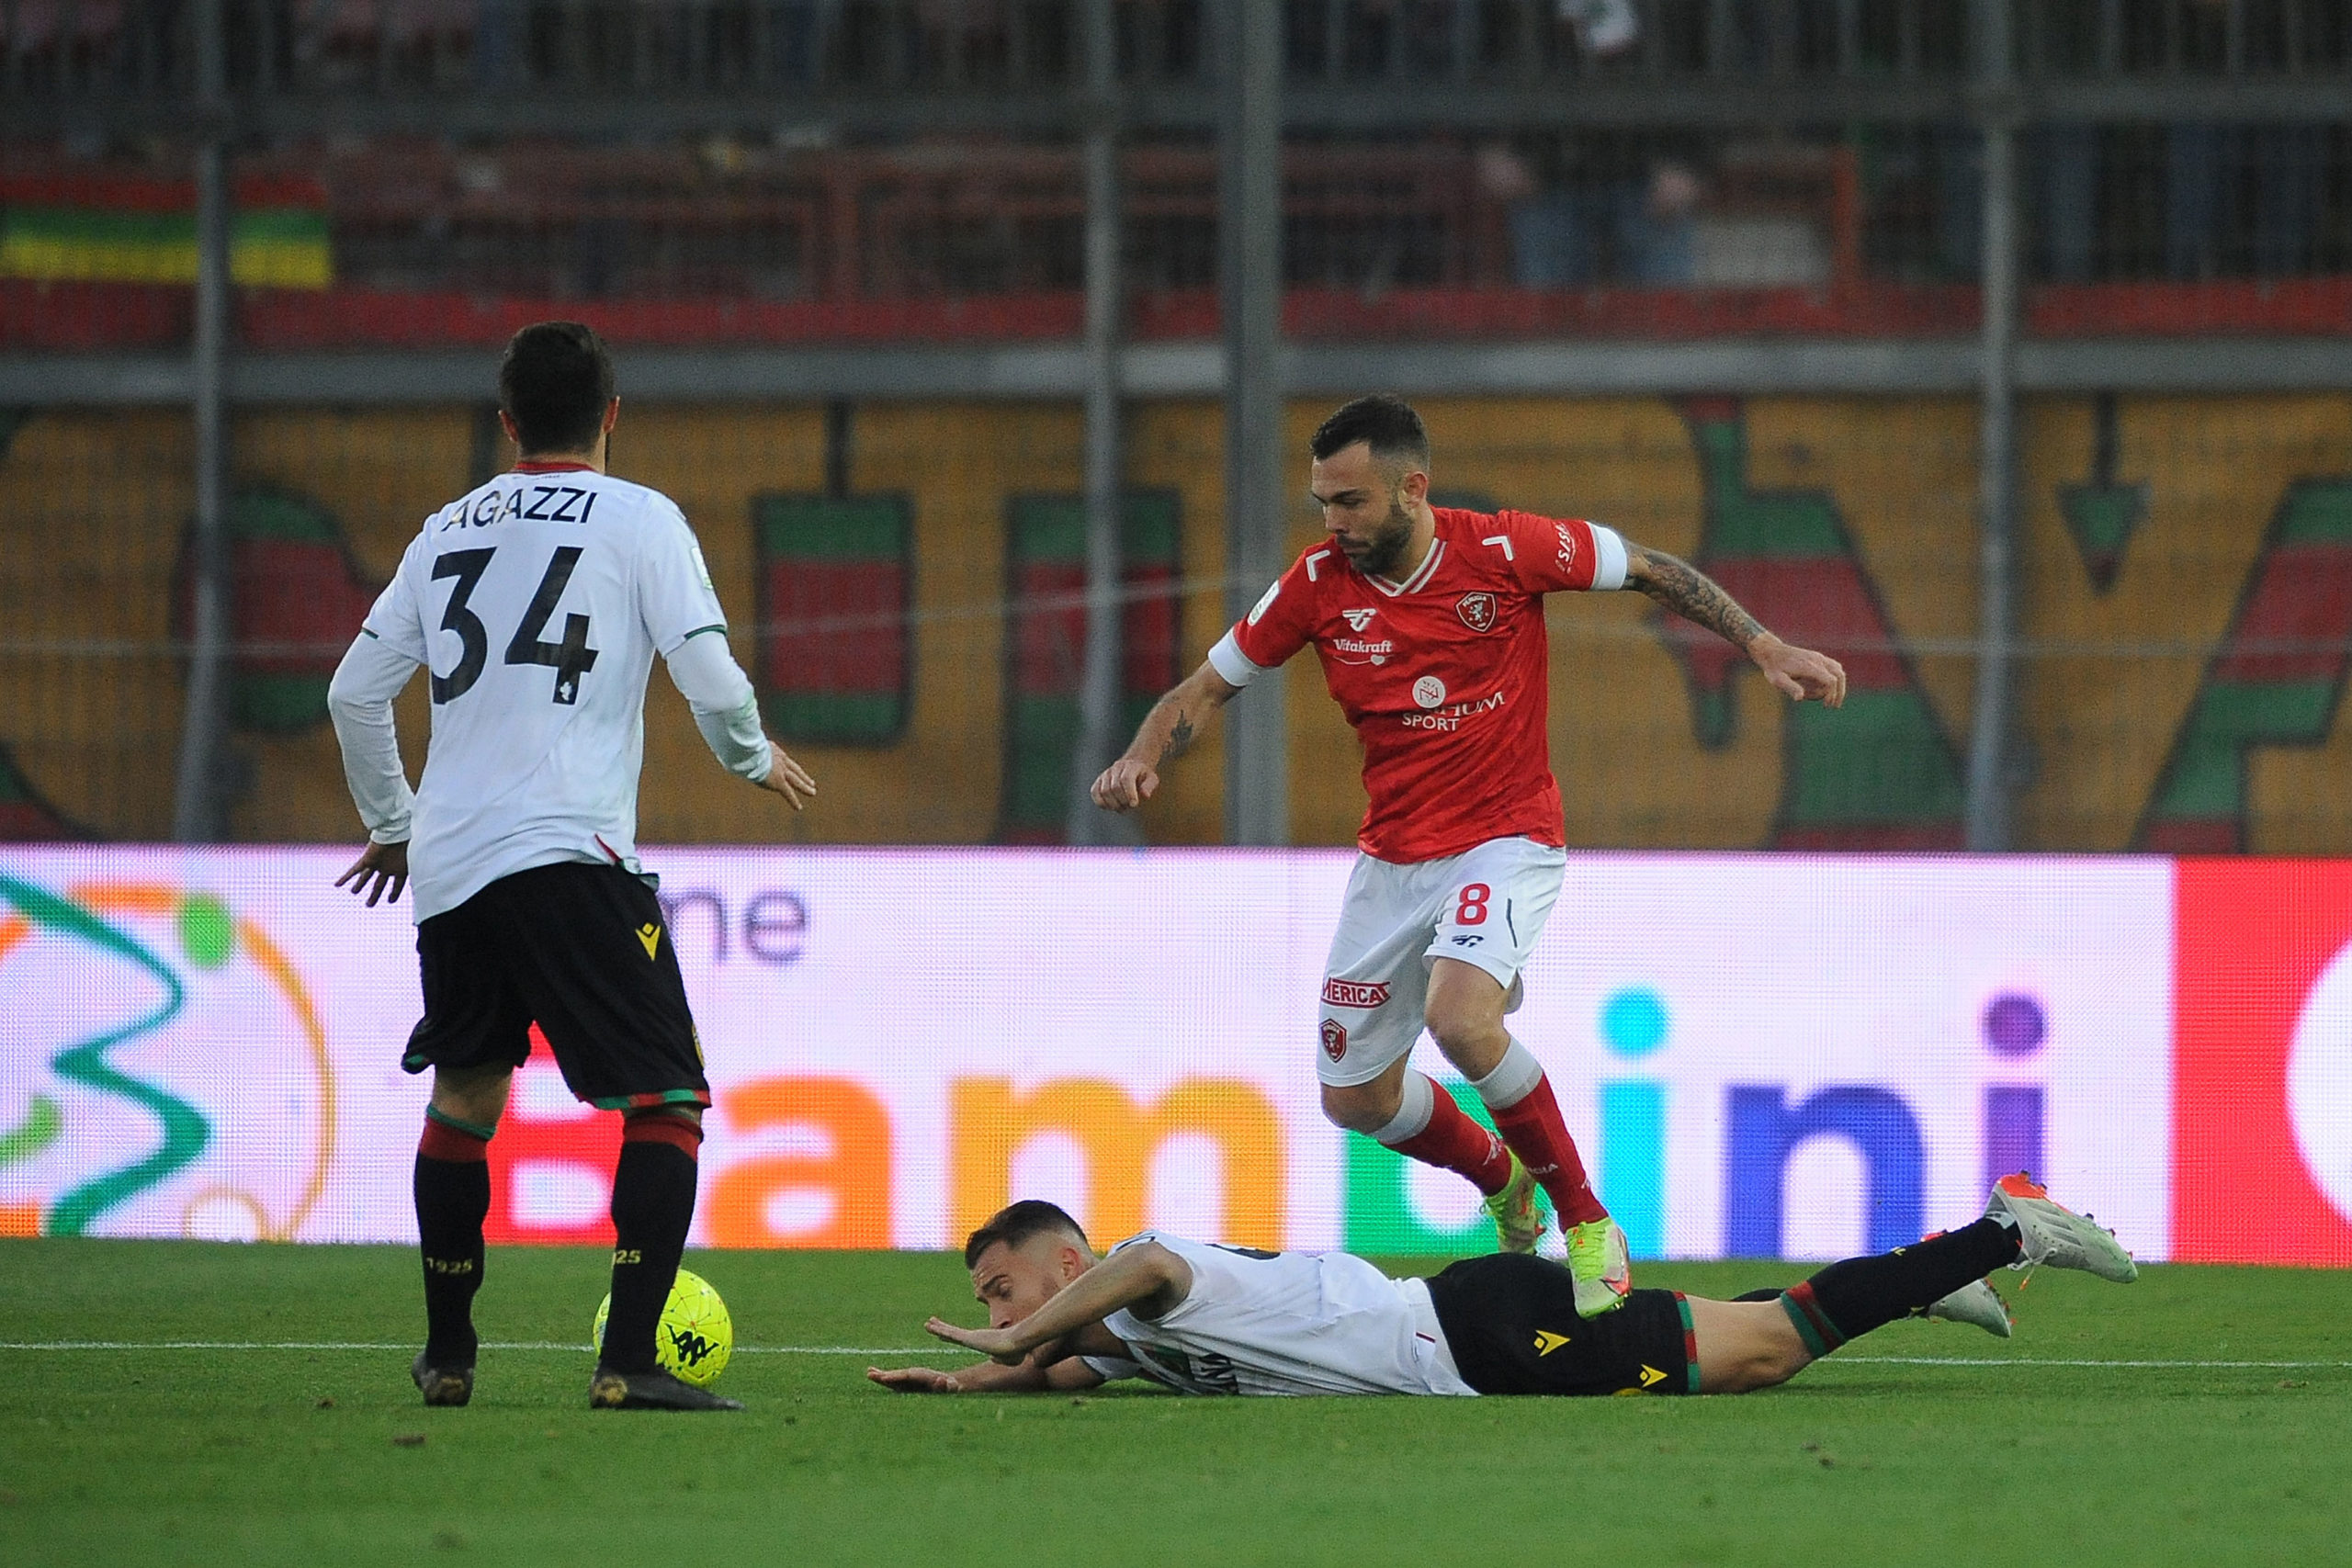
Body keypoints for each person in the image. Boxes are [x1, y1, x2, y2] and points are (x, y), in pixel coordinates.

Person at [1091, 394, 1846, 1315]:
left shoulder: (1505, 549)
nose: (1333, 523)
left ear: (1413, 488)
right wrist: (1141, 754)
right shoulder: (1315, 585)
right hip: (1391, 863)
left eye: (1351, 501)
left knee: (1460, 1019)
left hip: (1506, 836)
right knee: (1355, 1100)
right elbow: (1203, 689)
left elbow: (1651, 569)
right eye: (1323, 503)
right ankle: (1502, 1179)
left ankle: (1588, 1223)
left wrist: (1763, 645)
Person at [325, 321, 818, 1412]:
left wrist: (395, 822)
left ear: (507, 422)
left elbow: (353, 694)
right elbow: (707, 671)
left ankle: (447, 1354)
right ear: (613, 413)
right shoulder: (640, 519)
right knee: (669, 1098)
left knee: (465, 1094)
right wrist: (750, 757)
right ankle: (628, 1361)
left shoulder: (444, 529)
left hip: (452, 868)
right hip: (569, 853)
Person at [867, 1176, 2134, 1400]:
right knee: (1735, 1334)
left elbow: (1135, 1273)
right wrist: (974, 1378)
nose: (1000, 1311)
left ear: (1067, 1266)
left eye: (1001, 1289)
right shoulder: (1125, 1337)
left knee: (1763, 1353)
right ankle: (1915, 1284)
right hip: (1473, 1328)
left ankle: (2002, 1228)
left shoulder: (1145, 1272)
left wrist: (1019, 1338)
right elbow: (1073, 1368)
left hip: (1476, 1334)